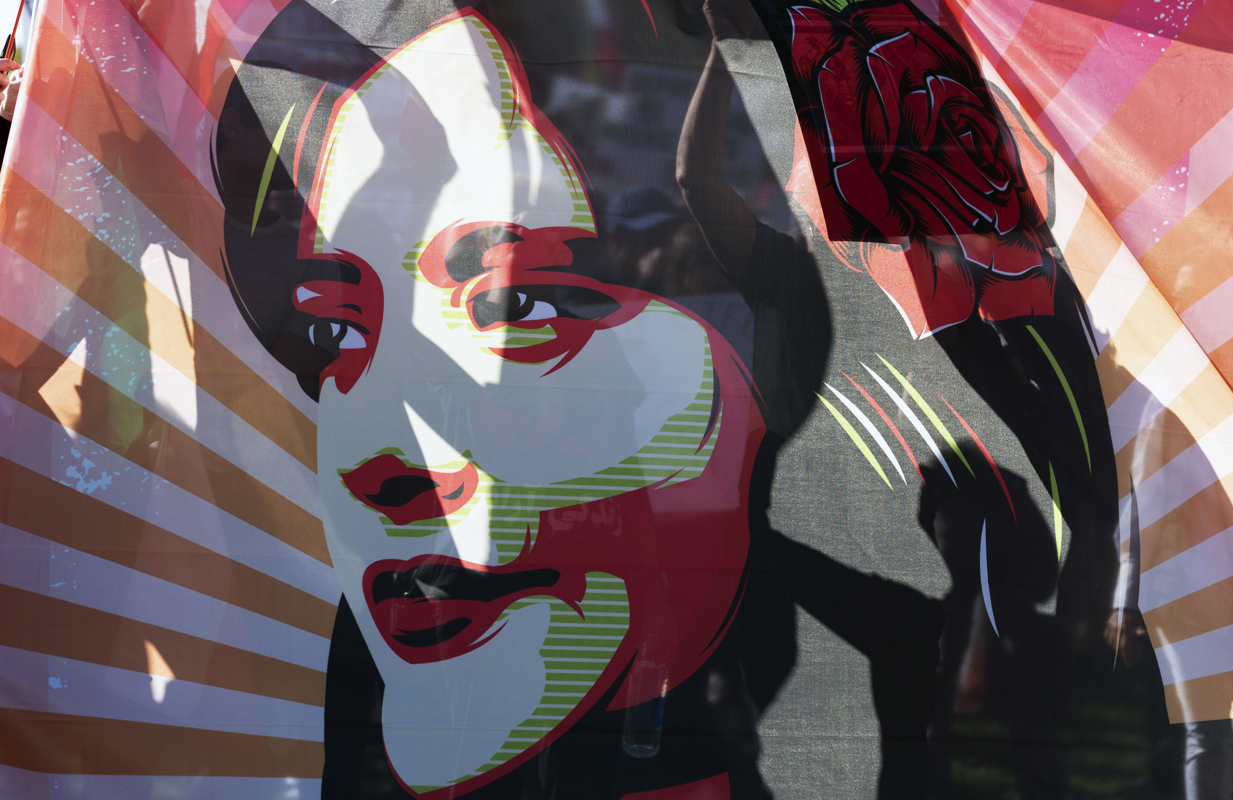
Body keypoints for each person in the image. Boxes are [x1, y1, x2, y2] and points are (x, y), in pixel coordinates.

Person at [216, 2, 832, 797]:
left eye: (517, 306)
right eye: (339, 334)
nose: (381, 466)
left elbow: (699, 182)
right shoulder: (351, 667)